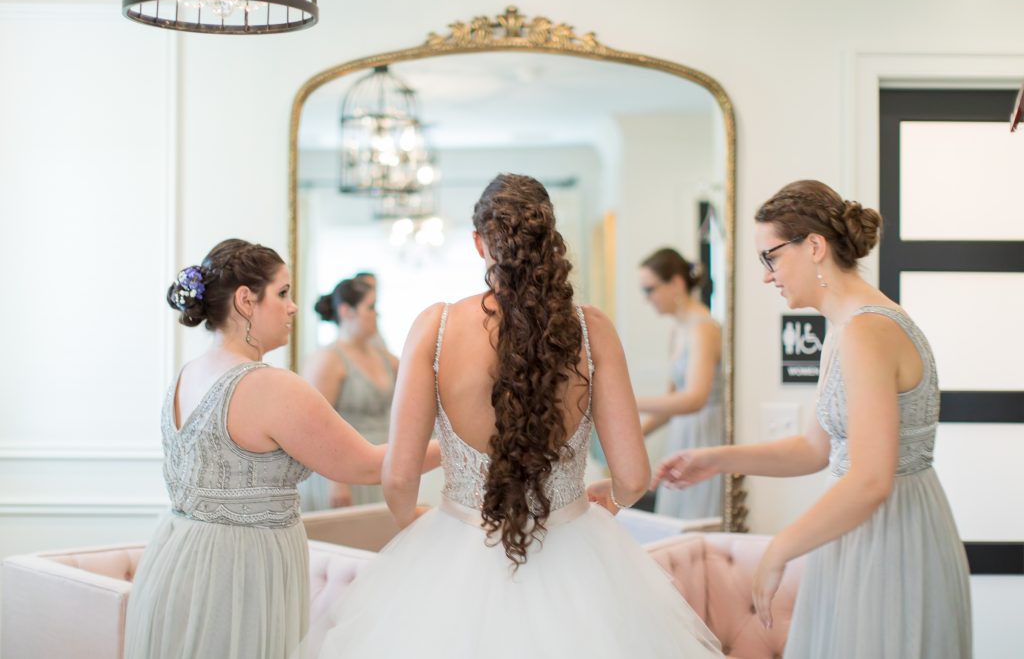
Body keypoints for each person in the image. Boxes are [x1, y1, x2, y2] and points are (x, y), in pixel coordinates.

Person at [311, 174, 723, 658]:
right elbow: (633, 477)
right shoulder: (592, 330)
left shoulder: (435, 328)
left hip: (460, 546)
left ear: (479, 242)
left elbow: (398, 477)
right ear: (549, 238)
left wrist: (416, 520)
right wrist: (606, 498)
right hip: (577, 553)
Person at [654, 180, 972, 658]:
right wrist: (717, 459)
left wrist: (781, 547)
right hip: (860, 528)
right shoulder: (845, 327)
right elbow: (815, 449)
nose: (767, 275)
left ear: (815, 246)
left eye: (771, 257)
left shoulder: (867, 331)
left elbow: (870, 480)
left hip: (890, 533)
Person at [124, 239, 439, 659]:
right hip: (237, 570)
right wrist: (458, 446)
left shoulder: (188, 373)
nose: (293, 307)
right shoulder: (269, 385)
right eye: (283, 293)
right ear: (245, 300)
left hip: (176, 558)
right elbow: (368, 465)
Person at [636, 248, 725, 518]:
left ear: (675, 283)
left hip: (704, 433)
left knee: (697, 516)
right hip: (682, 434)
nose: (647, 299)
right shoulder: (677, 330)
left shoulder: (704, 328)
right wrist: (635, 436)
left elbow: (694, 398)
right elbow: (671, 402)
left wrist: (626, 401)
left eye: (650, 289)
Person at [301, 277, 398, 509]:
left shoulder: (384, 357)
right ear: (347, 311)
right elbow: (314, 425)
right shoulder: (328, 359)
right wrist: (337, 481)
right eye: (371, 307)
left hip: (381, 467)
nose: (377, 314)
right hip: (343, 472)